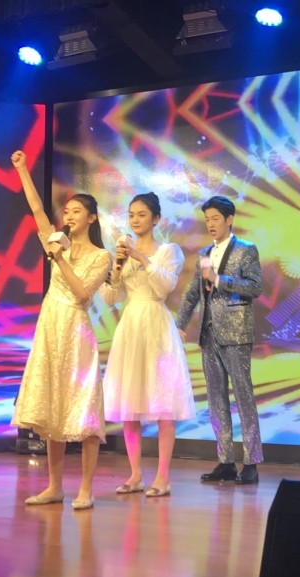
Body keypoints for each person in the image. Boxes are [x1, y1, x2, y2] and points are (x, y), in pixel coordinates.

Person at [10, 150, 112, 509]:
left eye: (76, 211)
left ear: (91, 218)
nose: (68, 216)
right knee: (52, 407)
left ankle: (86, 489)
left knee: (83, 408)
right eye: (67, 211)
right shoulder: (56, 239)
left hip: (76, 330)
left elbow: (83, 294)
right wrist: (23, 169)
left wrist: (59, 257)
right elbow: (37, 208)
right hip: (50, 326)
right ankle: (54, 486)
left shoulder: (101, 256)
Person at [99, 193, 196, 497]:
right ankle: (135, 475)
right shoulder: (121, 253)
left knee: (163, 403)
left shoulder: (168, 250)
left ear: (156, 219)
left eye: (142, 214)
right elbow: (110, 297)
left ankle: (163, 477)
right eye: (131, 215)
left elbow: (165, 286)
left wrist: (141, 258)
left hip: (156, 325)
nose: (135, 220)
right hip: (131, 326)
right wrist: (117, 267)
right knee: (130, 406)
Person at [175, 196, 263, 484]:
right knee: (216, 400)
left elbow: (255, 287)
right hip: (208, 333)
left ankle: (251, 463)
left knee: (244, 397)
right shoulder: (204, 253)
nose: (211, 224)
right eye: (207, 219)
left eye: (215, 218)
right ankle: (225, 461)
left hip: (236, 333)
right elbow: (193, 292)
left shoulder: (246, 250)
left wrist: (219, 279)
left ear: (229, 219)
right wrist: (179, 325)